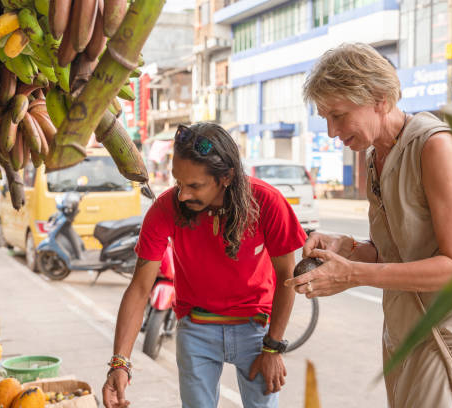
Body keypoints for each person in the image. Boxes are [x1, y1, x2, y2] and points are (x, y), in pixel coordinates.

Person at [285, 43, 452, 408]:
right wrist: (347, 248)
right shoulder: (375, 155)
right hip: (405, 333)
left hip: (449, 343)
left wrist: (354, 275)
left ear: (380, 99)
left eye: (338, 115)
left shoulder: (434, 146)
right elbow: (398, 252)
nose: (332, 131)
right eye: (325, 119)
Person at [102, 122, 306, 408]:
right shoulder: (166, 207)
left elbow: (288, 276)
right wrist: (119, 364)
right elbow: (139, 289)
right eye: (178, 182)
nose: (182, 194)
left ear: (226, 177)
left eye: (194, 185)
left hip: (257, 331)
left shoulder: (267, 202)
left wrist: (274, 347)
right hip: (196, 329)